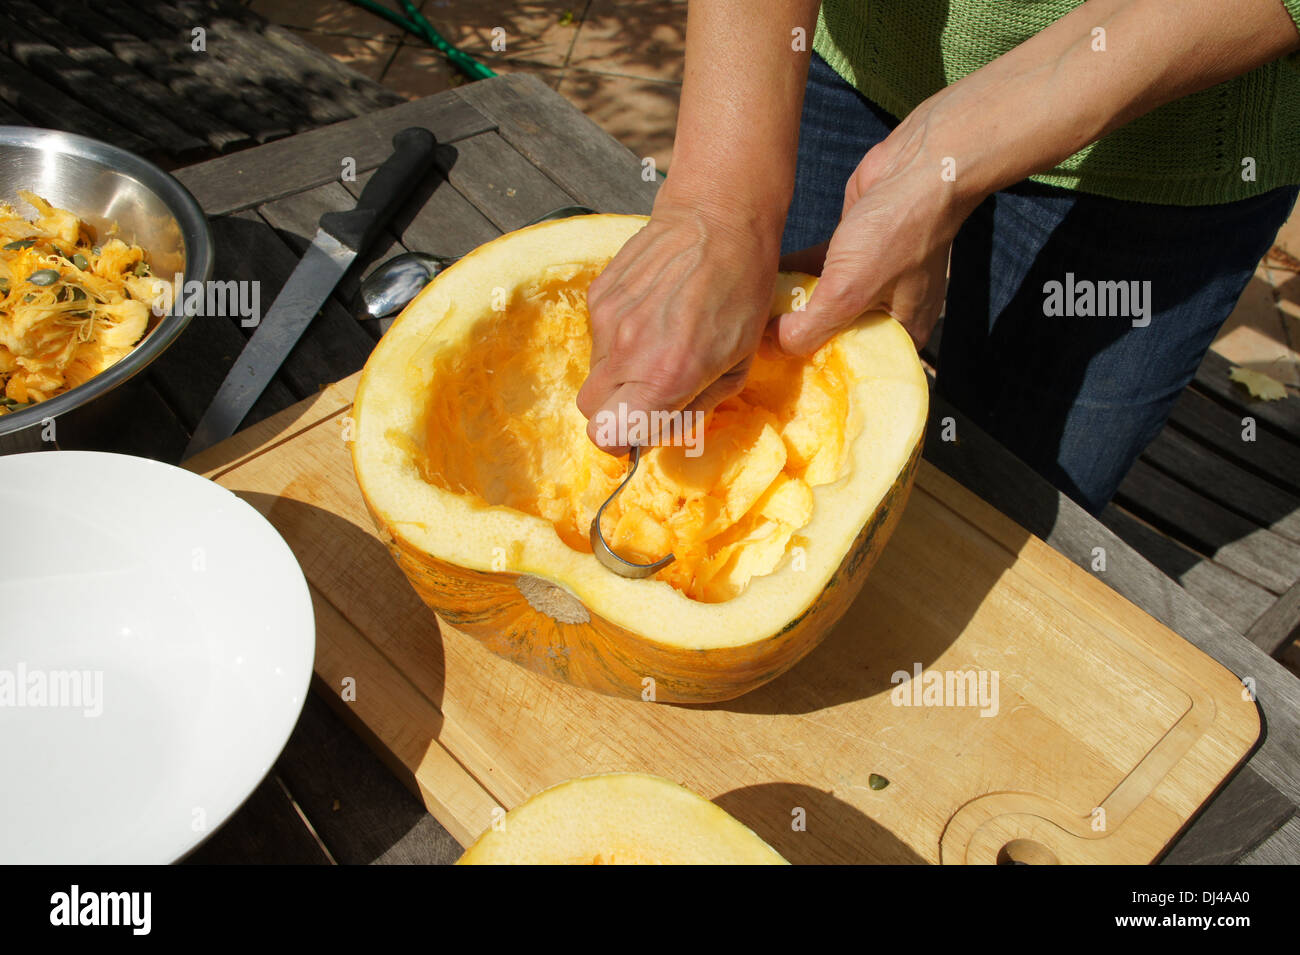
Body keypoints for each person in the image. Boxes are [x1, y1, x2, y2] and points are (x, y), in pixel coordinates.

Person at [575, 0, 1300, 515]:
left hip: (1167, 147)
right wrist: (718, 205)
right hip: (856, 50)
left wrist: (950, 151)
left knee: (1012, 501)